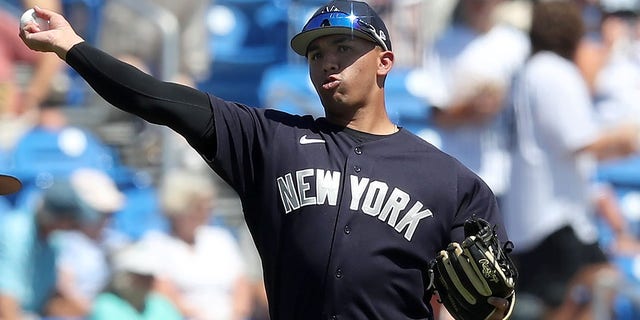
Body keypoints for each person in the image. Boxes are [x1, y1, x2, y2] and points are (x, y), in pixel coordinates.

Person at [19, 1, 513, 319]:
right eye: (316, 53)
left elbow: (490, 300)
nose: (327, 62)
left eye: (344, 47)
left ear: (385, 60)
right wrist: (72, 46)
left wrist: (493, 309)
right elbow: (155, 97)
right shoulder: (268, 140)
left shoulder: (452, 183)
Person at [503, 2, 640, 319]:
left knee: (591, 288)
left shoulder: (533, 69)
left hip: (544, 215)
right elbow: (581, 140)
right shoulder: (553, 71)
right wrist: (629, 135)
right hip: (554, 219)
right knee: (571, 300)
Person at [420, 0, 530, 201]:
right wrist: (472, 108)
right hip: (458, 174)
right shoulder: (444, 44)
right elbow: (438, 114)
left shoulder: (517, 45)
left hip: (506, 175)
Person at [0, 167, 124, 319]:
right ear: (61, 219)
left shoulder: (55, 240)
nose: (76, 224)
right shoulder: (16, 232)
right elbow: (7, 311)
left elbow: (50, 301)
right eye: (72, 219)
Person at [137, 169, 251, 320]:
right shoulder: (156, 244)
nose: (207, 212)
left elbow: (241, 286)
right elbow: (163, 294)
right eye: (200, 207)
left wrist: (236, 314)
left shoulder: (220, 239)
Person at [88, 241, 183, 320]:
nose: (147, 282)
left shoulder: (160, 304)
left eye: (149, 277)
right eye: (140, 277)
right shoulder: (105, 305)